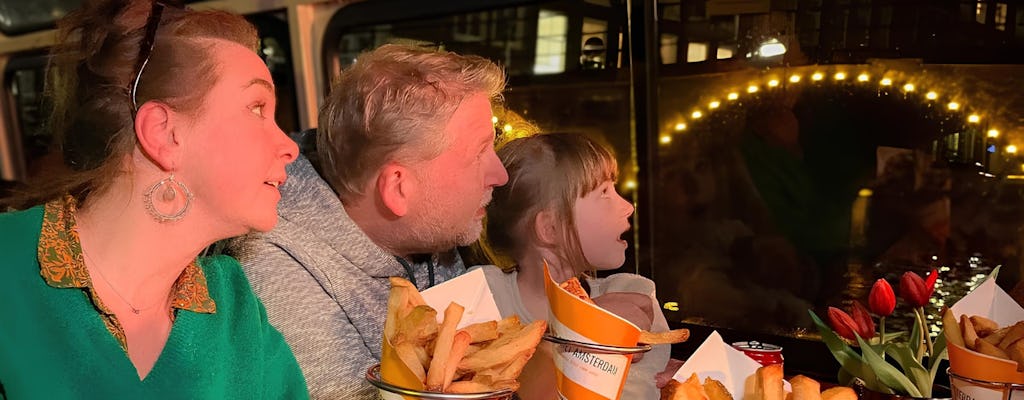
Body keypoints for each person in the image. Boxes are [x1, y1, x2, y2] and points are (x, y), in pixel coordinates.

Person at [0, 0, 307, 398]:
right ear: (164, 134)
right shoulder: (9, 266)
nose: (290, 147)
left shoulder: (232, 304)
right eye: (256, 108)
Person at [227, 44, 509, 398]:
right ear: (398, 189)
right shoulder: (276, 266)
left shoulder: (437, 229)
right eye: (479, 153)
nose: (499, 174)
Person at [476, 132, 670, 399]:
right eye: (604, 192)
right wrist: (582, 332)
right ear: (550, 228)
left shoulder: (632, 294)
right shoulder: (483, 295)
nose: (628, 207)